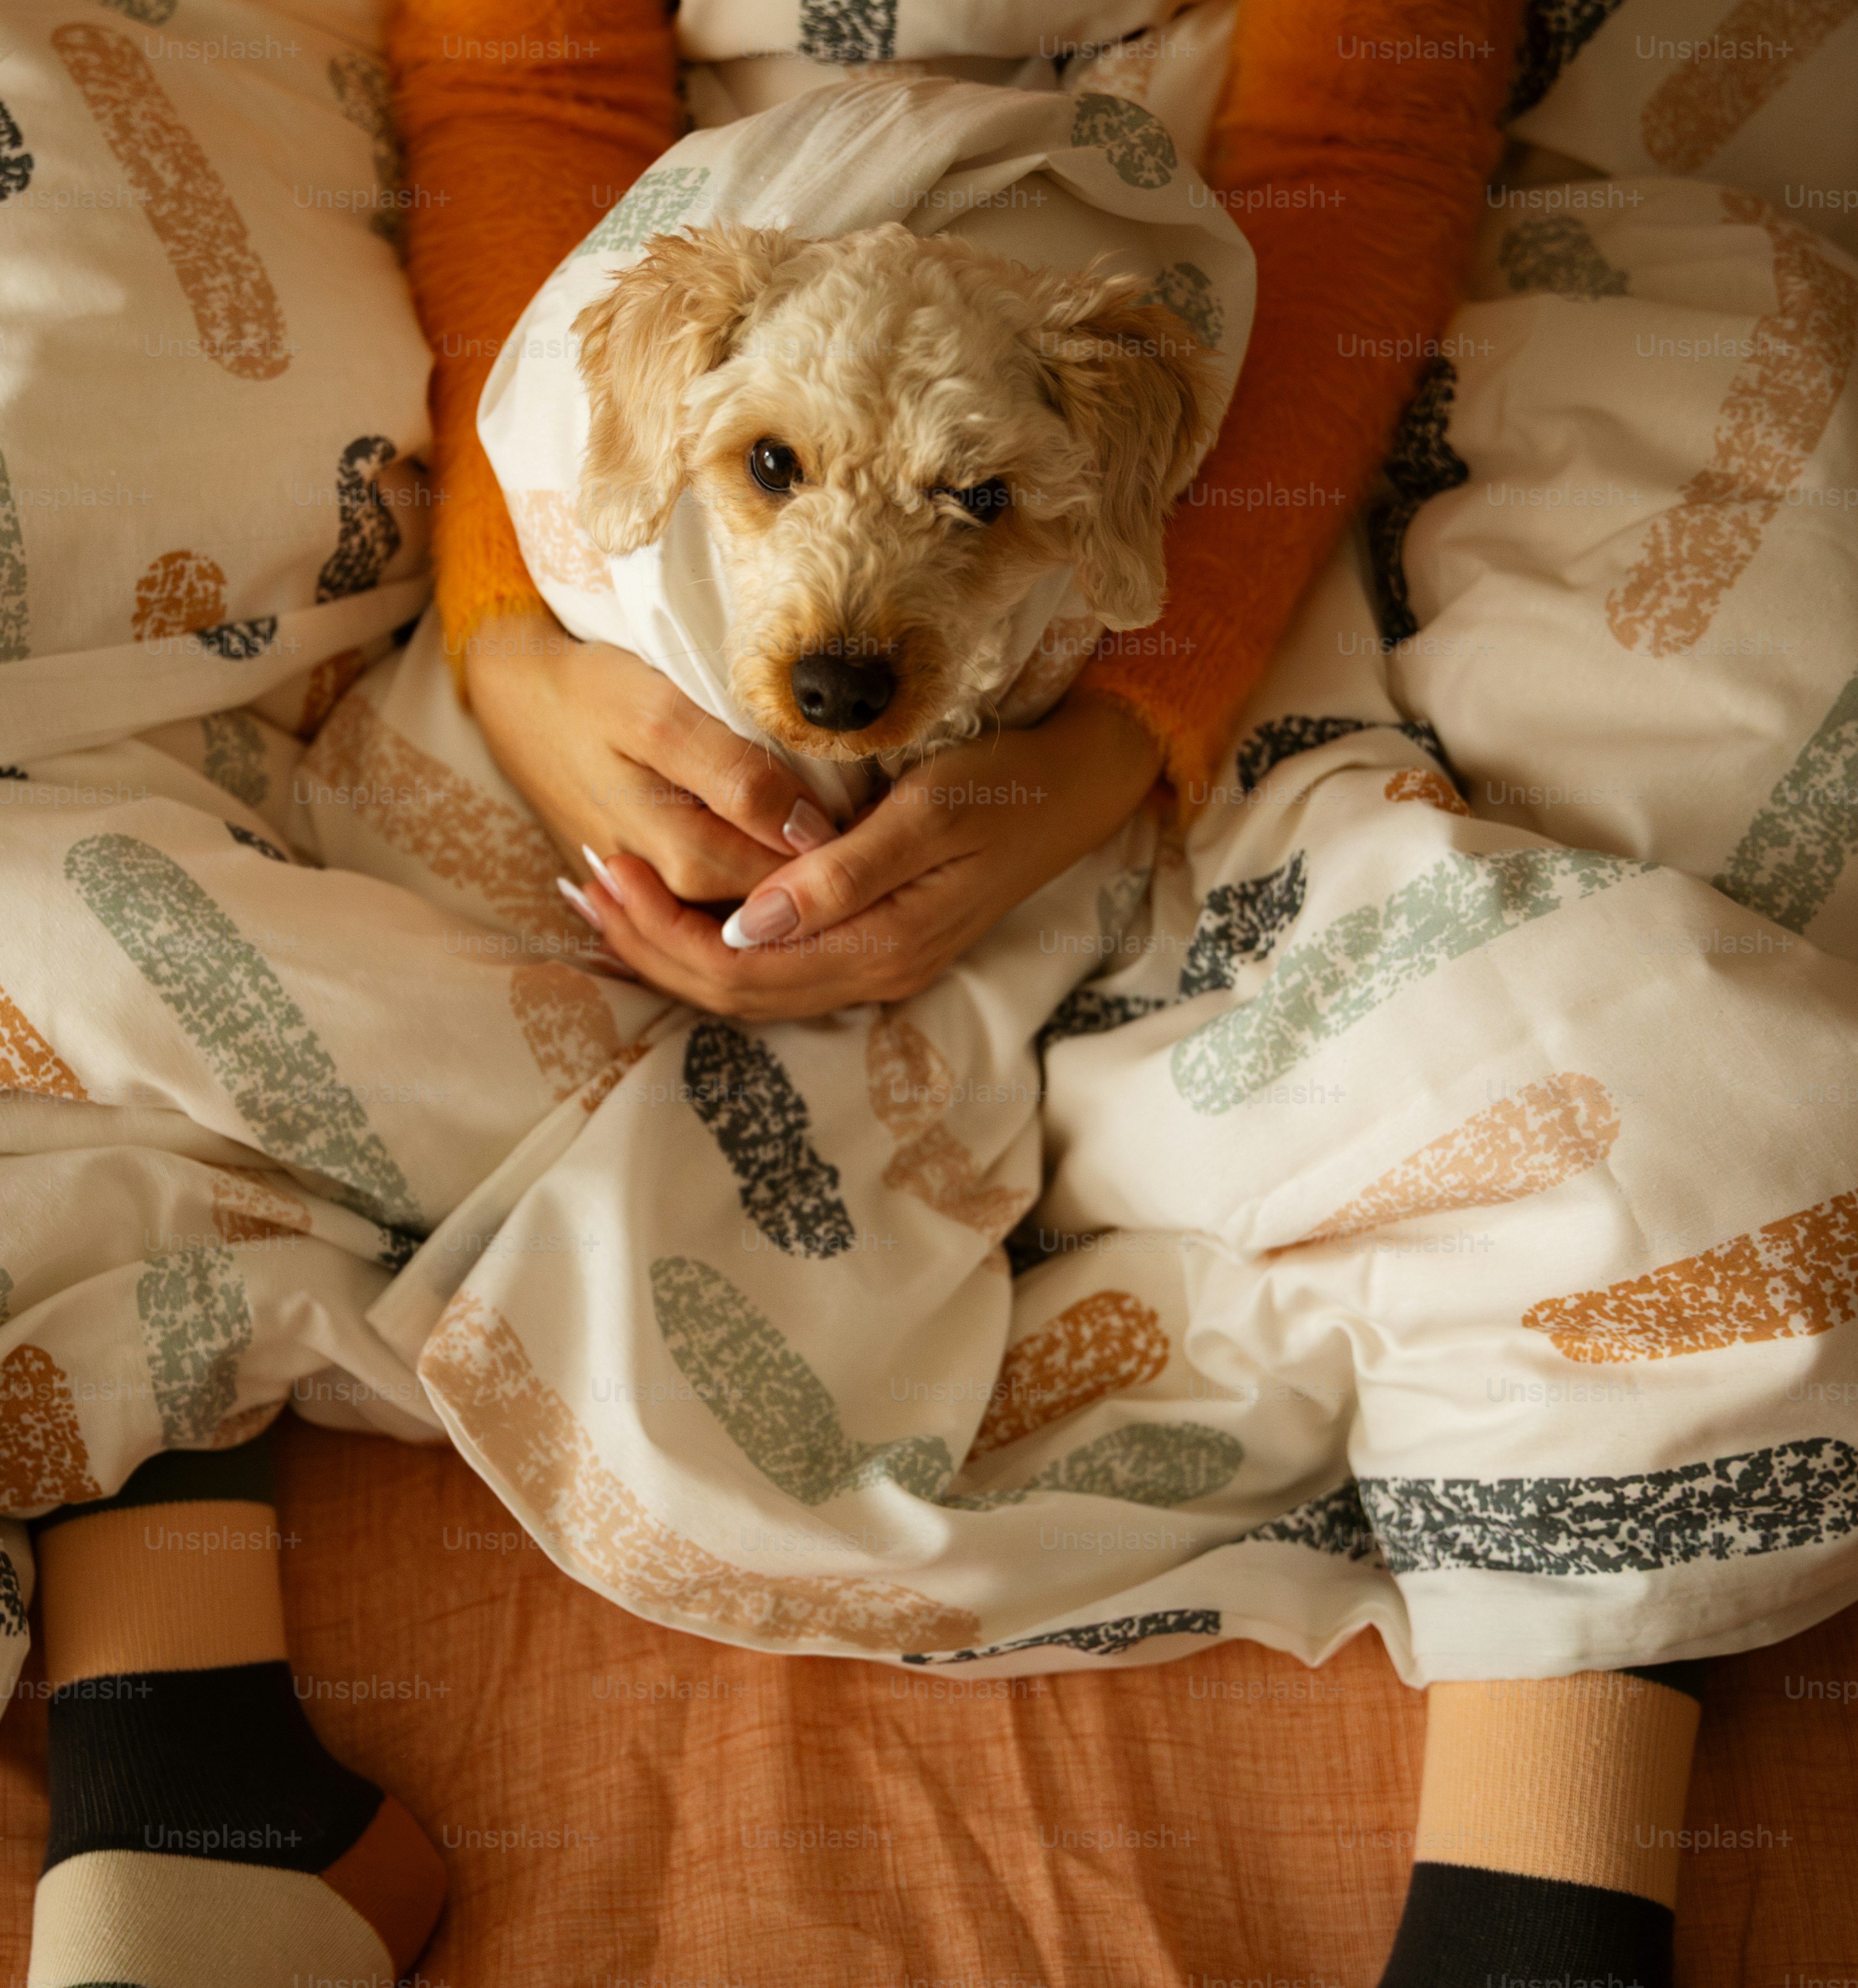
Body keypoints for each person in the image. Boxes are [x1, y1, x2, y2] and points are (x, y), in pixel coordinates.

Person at [380, 0, 1718, 1981]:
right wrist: (517, 628)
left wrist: (1129, 719)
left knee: (1652, 900)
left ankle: (1549, 1863)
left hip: (1240, 321)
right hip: (685, 241)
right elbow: (519, 79)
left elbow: (1362, 136)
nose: (849, 626)